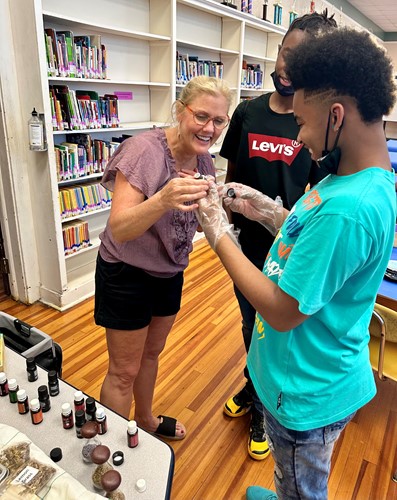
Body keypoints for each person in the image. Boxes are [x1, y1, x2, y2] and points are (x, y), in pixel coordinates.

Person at [197, 27, 396, 498]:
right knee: (290, 476)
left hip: (307, 393)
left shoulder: (351, 208)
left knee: (299, 485)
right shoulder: (351, 179)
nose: (299, 135)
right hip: (302, 375)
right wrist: (266, 210)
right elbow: (313, 242)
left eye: (303, 122)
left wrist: (219, 233)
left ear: (336, 115)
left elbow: (284, 311)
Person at [220, 11, 337, 460]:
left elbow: (317, 196)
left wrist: (282, 220)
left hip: (287, 252)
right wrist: (225, 222)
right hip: (244, 246)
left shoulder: (315, 126)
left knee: (273, 330)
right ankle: (254, 390)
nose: (287, 68)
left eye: (301, 62)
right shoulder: (248, 111)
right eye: (285, 54)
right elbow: (230, 178)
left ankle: (263, 410)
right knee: (250, 324)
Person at [94, 76, 232, 440]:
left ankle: (144, 422)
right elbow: (120, 228)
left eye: (219, 121)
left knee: (151, 355)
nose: (209, 128)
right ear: (180, 110)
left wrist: (220, 207)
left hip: (169, 271)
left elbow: (194, 227)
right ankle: (111, 453)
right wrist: (163, 199)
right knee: (123, 370)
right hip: (126, 272)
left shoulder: (204, 161)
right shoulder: (143, 151)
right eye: (201, 116)